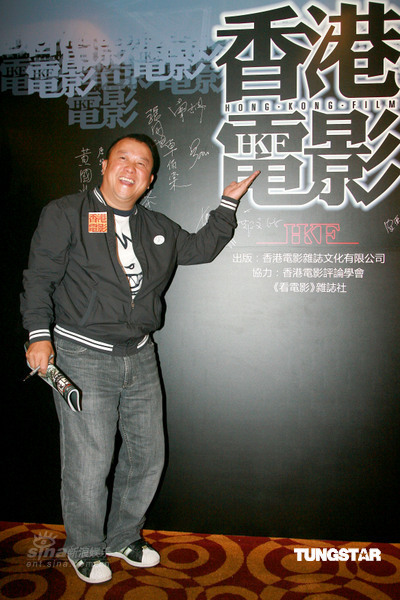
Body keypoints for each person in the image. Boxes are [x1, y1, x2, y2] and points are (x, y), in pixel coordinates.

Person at [21, 133, 260, 584]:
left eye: (142, 163)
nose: (130, 168)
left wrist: (227, 204)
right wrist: (38, 336)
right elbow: (39, 278)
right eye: (123, 158)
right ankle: (85, 547)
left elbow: (200, 248)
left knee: (148, 455)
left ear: (150, 180)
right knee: (90, 461)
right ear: (105, 165)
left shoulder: (157, 226)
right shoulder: (66, 213)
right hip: (81, 353)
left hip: (141, 354)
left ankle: (123, 536)